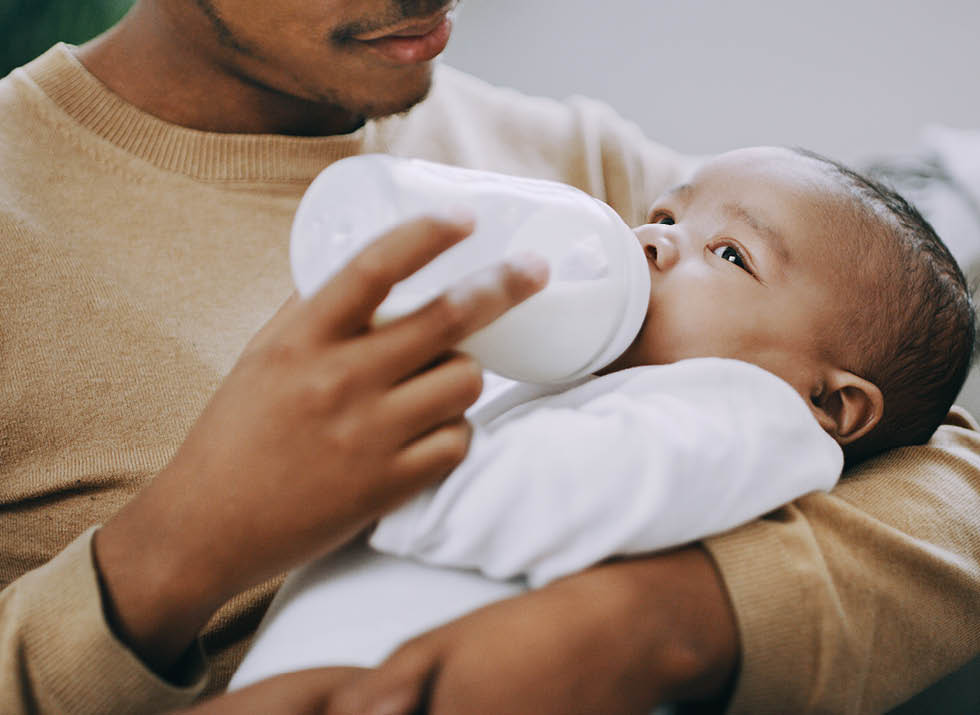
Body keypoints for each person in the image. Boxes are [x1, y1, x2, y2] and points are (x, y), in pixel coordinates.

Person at [0, 0, 977, 713]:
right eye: (668, 224)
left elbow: (925, 439)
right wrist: (176, 547)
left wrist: (661, 622)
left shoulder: (572, 157)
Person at [229, 145, 975, 687]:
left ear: (830, 403)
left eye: (727, 253)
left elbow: (550, 490)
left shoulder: (750, 415)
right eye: (666, 214)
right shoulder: (581, 369)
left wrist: (352, 473)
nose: (652, 240)